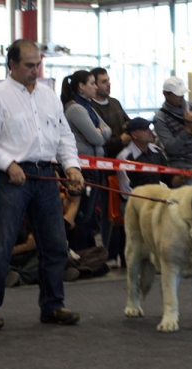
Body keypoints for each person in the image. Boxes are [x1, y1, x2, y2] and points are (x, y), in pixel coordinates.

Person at [0, 39, 84, 329]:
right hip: (12, 178)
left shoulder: (48, 96)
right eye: (29, 65)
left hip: (45, 177)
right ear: (12, 65)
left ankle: (53, 306)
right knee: (1, 244)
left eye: (38, 64)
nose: (35, 70)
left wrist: (71, 166)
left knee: (56, 245)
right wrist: (8, 164)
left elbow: (64, 136)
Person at [61, 70, 112, 252]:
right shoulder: (75, 109)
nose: (96, 87)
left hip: (95, 167)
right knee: (83, 214)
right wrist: (100, 132)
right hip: (84, 169)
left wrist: (101, 132)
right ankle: (80, 252)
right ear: (81, 87)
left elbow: (107, 130)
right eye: (92, 83)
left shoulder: (88, 107)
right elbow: (96, 138)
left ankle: (86, 252)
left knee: (90, 215)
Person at [90, 67, 131, 268]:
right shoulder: (90, 108)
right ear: (94, 85)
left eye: (108, 80)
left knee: (123, 210)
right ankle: (108, 252)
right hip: (104, 165)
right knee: (108, 211)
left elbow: (127, 124)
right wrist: (120, 140)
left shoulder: (115, 103)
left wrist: (130, 133)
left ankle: (123, 253)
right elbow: (98, 140)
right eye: (104, 81)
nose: (108, 84)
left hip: (124, 164)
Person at [153, 76, 192, 184]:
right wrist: (187, 130)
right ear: (166, 94)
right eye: (178, 94)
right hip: (181, 171)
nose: (182, 97)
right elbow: (170, 148)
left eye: (183, 93)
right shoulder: (160, 117)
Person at [117, 117, 175, 199]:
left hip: (159, 198)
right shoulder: (124, 158)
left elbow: (168, 178)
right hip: (137, 203)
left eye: (149, 128)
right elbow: (127, 192)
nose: (150, 131)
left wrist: (183, 177)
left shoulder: (156, 151)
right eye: (145, 129)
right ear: (134, 135)